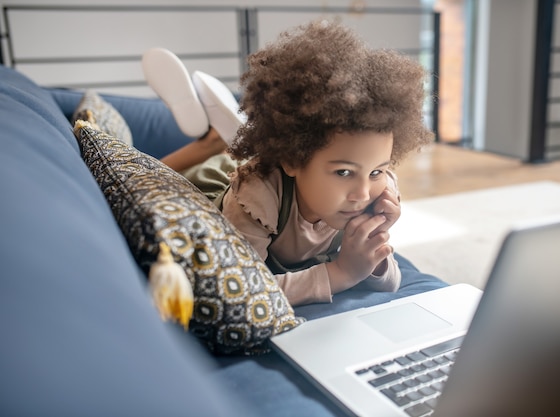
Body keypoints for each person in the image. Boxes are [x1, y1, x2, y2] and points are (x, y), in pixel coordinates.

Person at [142, 19, 432, 306]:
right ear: (293, 159)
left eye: (377, 170)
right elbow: (244, 289)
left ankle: (224, 136)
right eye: (343, 172)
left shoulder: (371, 191)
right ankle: (212, 141)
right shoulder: (257, 198)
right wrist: (341, 273)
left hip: (274, 172)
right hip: (213, 187)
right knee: (153, 179)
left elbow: (390, 282)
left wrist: (375, 241)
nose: (362, 193)